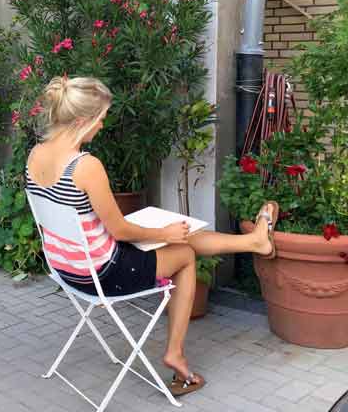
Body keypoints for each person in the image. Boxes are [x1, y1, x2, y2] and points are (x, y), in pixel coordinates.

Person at [25, 76, 278, 398]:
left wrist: (163, 234)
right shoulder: (85, 165)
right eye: (100, 120)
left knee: (178, 237)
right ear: (81, 121)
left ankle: (254, 242)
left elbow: (96, 222)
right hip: (101, 273)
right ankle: (175, 353)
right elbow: (119, 230)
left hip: (66, 268)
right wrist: (163, 232)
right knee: (183, 254)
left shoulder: (36, 155)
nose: (101, 127)